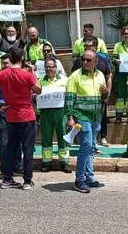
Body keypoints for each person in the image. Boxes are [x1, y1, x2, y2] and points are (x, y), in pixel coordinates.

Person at [0, 48, 42, 189]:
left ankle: (7, 178)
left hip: (10, 116)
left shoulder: (3, 74)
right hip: (27, 115)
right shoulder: (27, 75)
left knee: (11, 148)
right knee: (27, 149)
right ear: (22, 58)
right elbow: (39, 90)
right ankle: (27, 180)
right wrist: (32, 71)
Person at [66, 49, 107, 193]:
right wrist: (70, 117)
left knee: (91, 147)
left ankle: (89, 177)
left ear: (96, 61)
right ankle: (80, 179)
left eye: (88, 60)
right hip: (81, 116)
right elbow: (69, 98)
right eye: (83, 59)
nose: (85, 62)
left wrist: (105, 93)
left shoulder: (100, 75)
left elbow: (103, 96)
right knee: (86, 145)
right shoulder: (75, 76)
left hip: (96, 117)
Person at [72, 37, 113, 151]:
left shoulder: (103, 59)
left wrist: (107, 92)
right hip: (83, 104)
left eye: (88, 46)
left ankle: (96, 143)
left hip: (98, 99)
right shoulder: (80, 60)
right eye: (85, 46)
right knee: (86, 126)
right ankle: (87, 146)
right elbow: (73, 77)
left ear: (95, 47)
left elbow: (108, 76)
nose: (86, 62)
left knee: (97, 124)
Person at [36, 57, 70, 173]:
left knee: (63, 137)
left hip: (61, 113)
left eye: (52, 67)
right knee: (46, 137)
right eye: (47, 67)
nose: (49, 69)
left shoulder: (65, 80)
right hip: (46, 113)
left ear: (56, 68)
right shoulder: (39, 81)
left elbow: (70, 97)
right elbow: (34, 96)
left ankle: (64, 163)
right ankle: (46, 163)